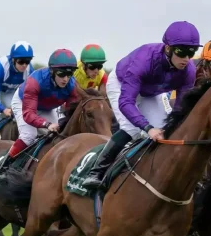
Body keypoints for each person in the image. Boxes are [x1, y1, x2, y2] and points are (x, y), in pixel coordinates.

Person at [78, 21, 200, 190]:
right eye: (181, 52)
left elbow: (179, 110)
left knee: (165, 131)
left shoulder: (189, 72)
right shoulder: (144, 60)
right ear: (167, 48)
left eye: (191, 52)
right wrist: (148, 127)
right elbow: (126, 102)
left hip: (150, 93)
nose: (186, 59)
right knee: (133, 129)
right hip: (122, 84)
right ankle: (96, 171)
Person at [0, 49, 78, 176]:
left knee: (59, 136)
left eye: (70, 73)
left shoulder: (72, 86)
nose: (65, 79)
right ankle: (2, 168)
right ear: (52, 71)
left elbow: (70, 113)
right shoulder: (35, 81)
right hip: (23, 103)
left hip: (46, 107)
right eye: (61, 74)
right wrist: (47, 124)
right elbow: (28, 115)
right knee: (28, 136)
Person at [0, 41, 35, 120]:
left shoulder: (30, 71)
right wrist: (4, 109)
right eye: (21, 61)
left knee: (18, 114)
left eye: (27, 61)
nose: (24, 65)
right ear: (13, 60)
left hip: (10, 90)